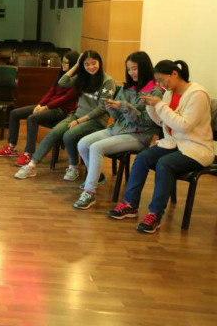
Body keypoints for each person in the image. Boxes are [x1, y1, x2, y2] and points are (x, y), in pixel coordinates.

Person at [109, 60, 214, 233]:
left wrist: (159, 105)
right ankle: (130, 204)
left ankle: (155, 214)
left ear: (174, 74)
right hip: (175, 143)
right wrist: (151, 107)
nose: (160, 84)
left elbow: (184, 126)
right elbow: (162, 122)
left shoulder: (197, 94)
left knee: (164, 164)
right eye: (157, 81)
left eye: (161, 79)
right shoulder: (169, 94)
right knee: (142, 158)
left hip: (196, 148)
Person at [72, 52, 161, 209]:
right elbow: (118, 116)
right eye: (129, 69)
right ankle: (97, 177)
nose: (131, 73)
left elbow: (147, 122)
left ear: (145, 68)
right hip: (117, 129)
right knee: (83, 144)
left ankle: (89, 192)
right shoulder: (127, 88)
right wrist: (111, 108)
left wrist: (125, 107)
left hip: (138, 136)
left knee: (96, 147)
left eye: (135, 69)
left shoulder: (154, 92)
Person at [14, 50, 116, 180]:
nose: (91, 67)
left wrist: (79, 121)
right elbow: (62, 82)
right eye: (86, 64)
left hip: (96, 121)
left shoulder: (107, 81)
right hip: (78, 116)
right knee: (54, 132)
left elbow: (102, 108)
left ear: (100, 63)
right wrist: (77, 65)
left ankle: (73, 167)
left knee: (68, 135)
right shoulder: (83, 77)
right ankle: (31, 165)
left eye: (94, 63)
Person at [0, 51, 79, 164]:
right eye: (62, 62)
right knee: (14, 113)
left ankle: (28, 153)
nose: (63, 65)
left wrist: (46, 107)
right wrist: (40, 104)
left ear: (73, 64)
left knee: (32, 118)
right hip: (48, 107)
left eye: (66, 63)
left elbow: (64, 99)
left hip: (61, 110)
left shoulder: (77, 80)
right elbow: (51, 92)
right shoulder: (62, 74)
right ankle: (11, 147)